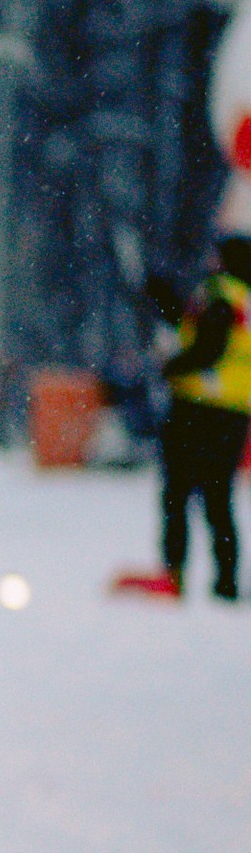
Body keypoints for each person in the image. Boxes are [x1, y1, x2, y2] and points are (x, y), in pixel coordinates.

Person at [156, 235, 251, 600]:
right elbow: (191, 322)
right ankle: (226, 580)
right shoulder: (243, 296)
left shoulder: (220, 292)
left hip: (198, 408)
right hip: (233, 411)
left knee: (177, 493)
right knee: (218, 499)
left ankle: (173, 572)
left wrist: (171, 367)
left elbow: (209, 344)